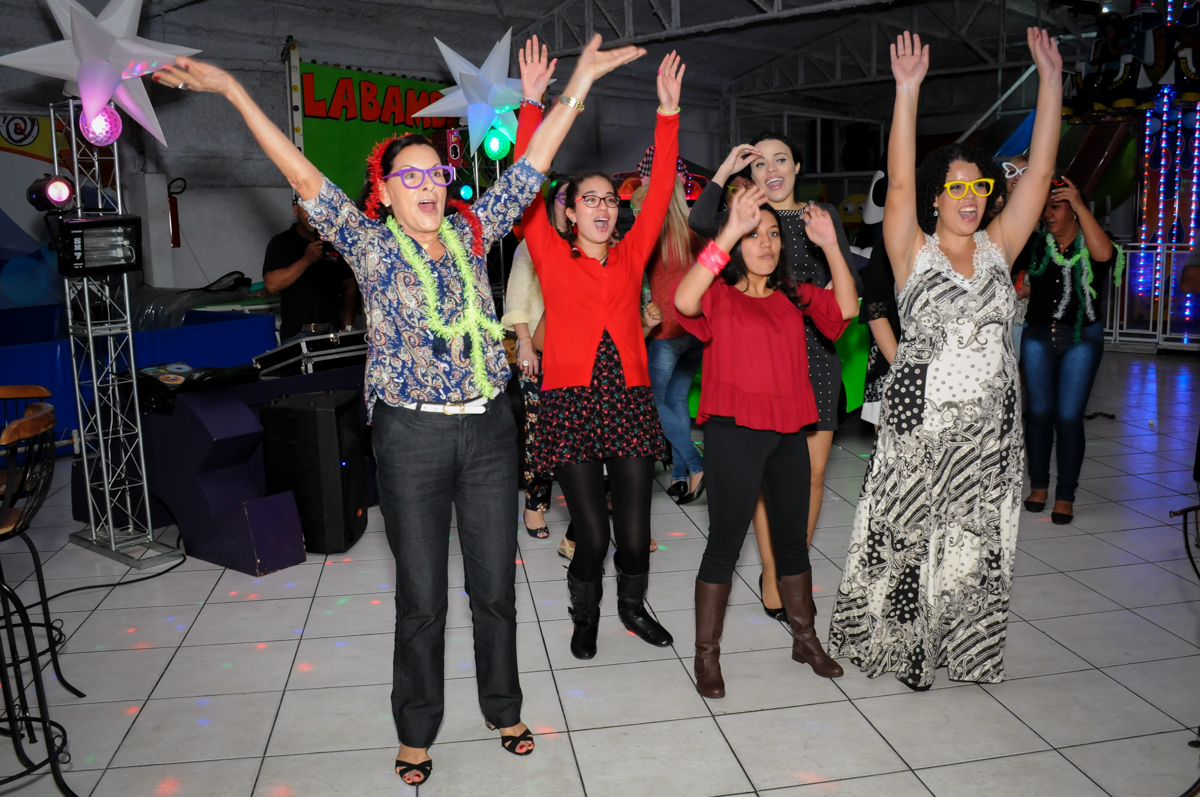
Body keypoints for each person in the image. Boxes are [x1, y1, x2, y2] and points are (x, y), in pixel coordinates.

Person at [153, 34, 645, 785]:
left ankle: (502, 705)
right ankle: (416, 729)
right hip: (412, 435)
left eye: (436, 173)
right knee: (421, 595)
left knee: (496, 588)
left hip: (490, 429)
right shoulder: (370, 245)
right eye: (408, 175)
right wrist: (232, 90)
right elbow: (299, 168)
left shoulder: (475, 232)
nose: (426, 185)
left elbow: (538, 161)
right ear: (384, 188)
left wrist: (577, 83)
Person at [828, 28, 1062, 690]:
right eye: (956, 187)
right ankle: (906, 650)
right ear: (937, 197)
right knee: (910, 536)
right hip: (921, 421)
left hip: (988, 426)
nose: (970, 197)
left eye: (980, 186)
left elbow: (1040, 174)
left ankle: (970, 647)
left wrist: (1049, 84)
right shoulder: (913, 251)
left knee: (976, 542)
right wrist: (906, 93)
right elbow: (898, 178)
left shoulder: (998, 248)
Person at [521, 52, 685, 661]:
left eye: (609, 200)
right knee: (592, 535)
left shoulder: (630, 253)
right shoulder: (546, 249)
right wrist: (532, 104)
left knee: (637, 537)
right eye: (588, 199)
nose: (602, 207)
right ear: (567, 210)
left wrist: (667, 114)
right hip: (570, 404)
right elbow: (525, 175)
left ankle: (632, 607)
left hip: (628, 402)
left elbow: (663, 185)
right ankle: (583, 613)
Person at [675, 185, 859, 698]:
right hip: (734, 433)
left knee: (792, 540)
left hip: (788, 432)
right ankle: (706, 657)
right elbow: (682, 299)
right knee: (724, 546)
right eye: (755, 235)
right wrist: (729, 228)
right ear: (736, 244)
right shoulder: (718, 294)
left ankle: (805, 639)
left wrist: (830, 247)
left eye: (773, 234)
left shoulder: (793, 294)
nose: (766, 244)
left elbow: (844, 310)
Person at [1022, 176, 1121, 525]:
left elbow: (1105, 256)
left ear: (1074, 209)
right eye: (1044, 208)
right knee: (1037, 413)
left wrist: (1079, 203)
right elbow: (1013, 272)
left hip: (1082, 338)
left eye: (1057, 206)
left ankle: (1065, 495)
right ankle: (1038, 485)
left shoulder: (1090, 239)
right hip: (1037, 336)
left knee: (1067, 417)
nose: (1048, 214)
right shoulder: (1036, 246)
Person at [632, 179, 705, 502]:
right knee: (676, 400)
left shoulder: (652, 234)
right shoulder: (695, 231)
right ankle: (679, 476)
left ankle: (697, 466)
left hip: (666, 331)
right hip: (695, 329)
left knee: (653, 402)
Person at [503, 177, 567, 540]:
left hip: (583, 354)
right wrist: (525, 343)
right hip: (539, 352)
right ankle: (534, 505)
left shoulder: (589, 243)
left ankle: (598, 504)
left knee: (586, 433)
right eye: (560, 198)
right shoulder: (533, 244)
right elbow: (516, 298)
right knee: (540, 434)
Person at [262, 200, 358, 344]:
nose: (313, 215)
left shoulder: (334, 242)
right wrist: (306, 260)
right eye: (307, 209)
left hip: (333, 333)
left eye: (317, 209)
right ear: (295, 210)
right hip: (297, 335)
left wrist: (348, 326)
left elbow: (349, 286)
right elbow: (272, 285)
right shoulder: (281, 242)